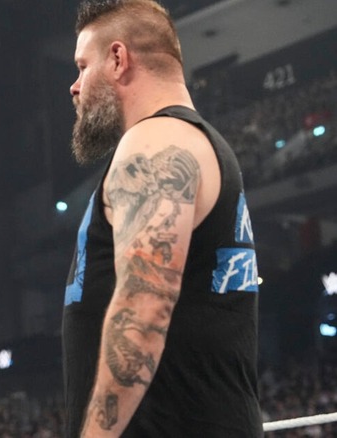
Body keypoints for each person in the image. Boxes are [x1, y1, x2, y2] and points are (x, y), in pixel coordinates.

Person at [61, 0, 261, 436]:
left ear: (118, 58)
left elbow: (143, 309)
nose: (75, 87)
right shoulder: (198, 144)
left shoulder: (155, 144)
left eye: (82, 66)